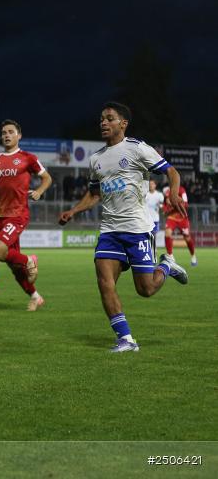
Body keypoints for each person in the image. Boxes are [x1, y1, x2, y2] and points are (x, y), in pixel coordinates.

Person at [59, 102, 188, 353]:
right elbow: (94, 194)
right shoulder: (96, 159)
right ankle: (126, 339)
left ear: (123, 124)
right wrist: (74, 211)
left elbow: (172, 172)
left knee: (146, 289)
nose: (103, 123)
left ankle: (166, 265)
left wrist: (173, 193)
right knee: (105, 282)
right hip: (109, 231)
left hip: (138, 229)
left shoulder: (137, 149)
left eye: (109, 119)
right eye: (101, 119)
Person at [0, 119, 52, 311]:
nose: (6, 135)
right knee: (13, 267)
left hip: (18, 214)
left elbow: (47, 178)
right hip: (0, 216)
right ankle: (35, 296)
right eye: (3, 132)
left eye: (10, 132)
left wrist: (39, 191)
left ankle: (29, 260)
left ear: (19, 136)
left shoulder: (28, 158)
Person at [162, 183, 197, 267]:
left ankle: (193, 256)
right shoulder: (167, 192)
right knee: (167, 233)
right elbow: (165, 205)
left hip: (182, 217)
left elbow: (185, 204)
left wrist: (174, 204)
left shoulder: (182, 190)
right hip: (172, 217)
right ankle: (170, 255)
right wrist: (166, 209)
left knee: (187, 238)